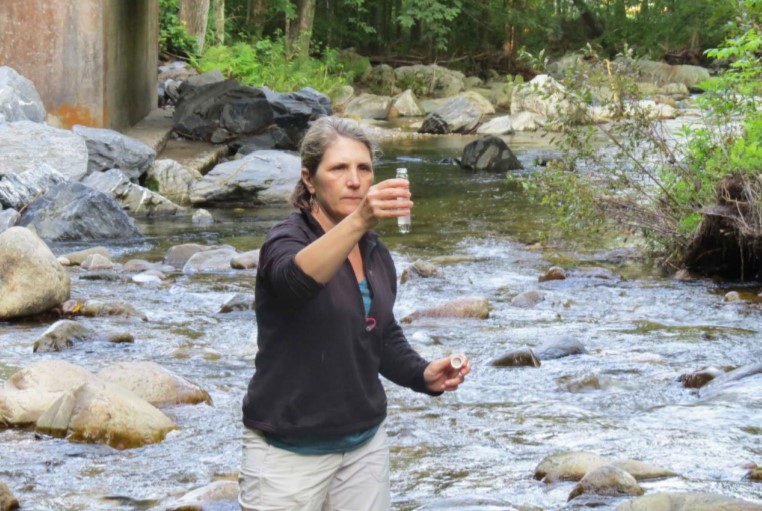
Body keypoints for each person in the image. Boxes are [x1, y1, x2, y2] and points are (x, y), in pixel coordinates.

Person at [239, 116, 471, 511]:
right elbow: (295, 283)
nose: (354, 180)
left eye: (363, 168)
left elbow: (378, 332)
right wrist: (360, 219)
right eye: (339, 168)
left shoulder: (374, 251)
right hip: (287, 451)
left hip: (364, 447)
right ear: (309, 180)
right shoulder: (285, 239)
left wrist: (422, 374)